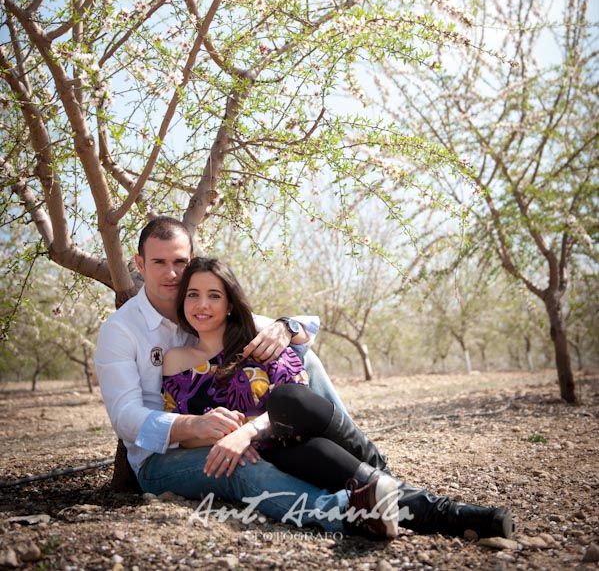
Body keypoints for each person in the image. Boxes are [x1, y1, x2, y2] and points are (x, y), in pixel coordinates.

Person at [161, 255, 515, 542]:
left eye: (214, 295)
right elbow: (182, 432)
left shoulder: (260, 340)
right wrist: (217, 434)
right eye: (193, 294)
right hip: (287, 455)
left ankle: (378, 467)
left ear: (229, 304)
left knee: (287, 398)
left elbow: (294, 400)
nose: (202, 304)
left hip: (293, 426)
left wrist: (247, 432)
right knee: (364, 483)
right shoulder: (177, 360)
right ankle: (457, 517)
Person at [94, 216, 391, 539]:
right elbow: (124, 417)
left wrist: (285, 326)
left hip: (227, 429)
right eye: (159, 262)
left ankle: (367, 466)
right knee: (236, 463)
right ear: (140, 263)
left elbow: (293, 328)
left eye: (180, 261)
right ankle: (346, 513)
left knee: (306, 359)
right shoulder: (121, 330)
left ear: (191, 260)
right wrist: (191, 425)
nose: (171, 273)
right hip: (162, 459)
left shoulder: (199, 304)